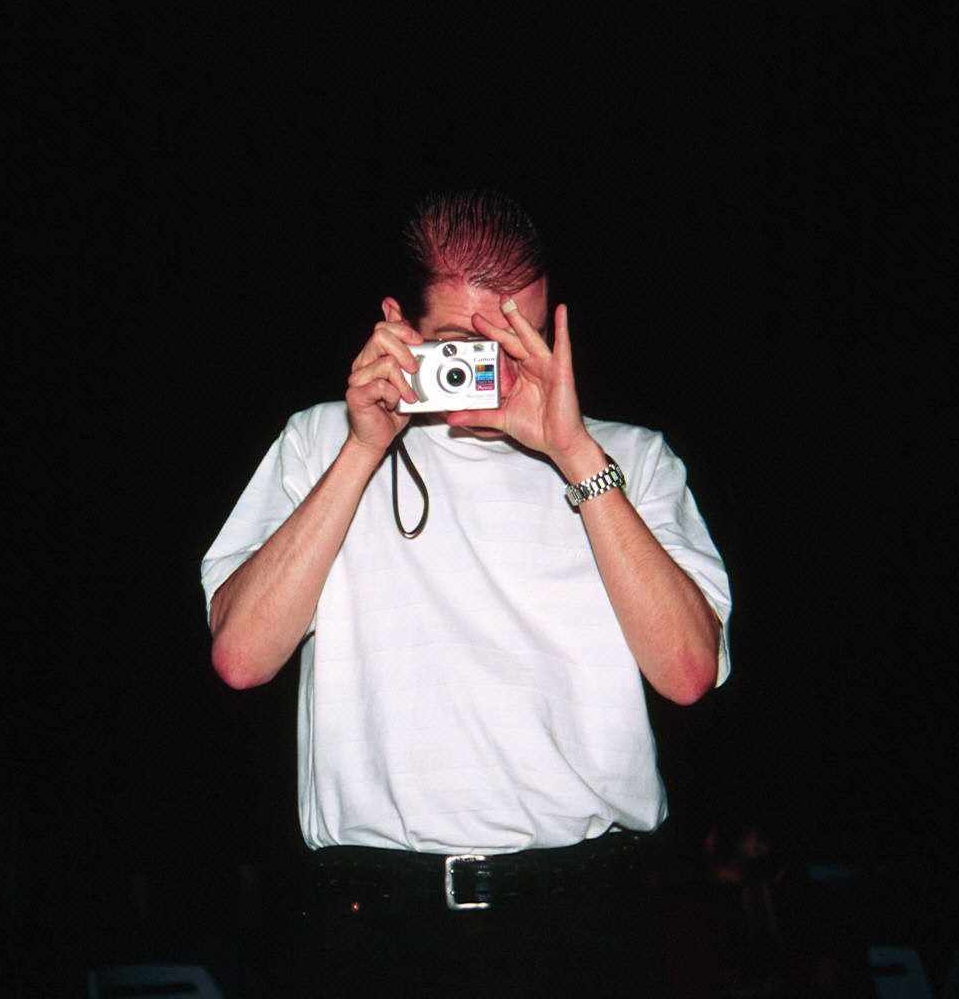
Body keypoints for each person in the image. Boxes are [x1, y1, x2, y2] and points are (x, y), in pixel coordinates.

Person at [201, 189, 732, 997]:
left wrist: (575, 454)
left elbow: (689, 673)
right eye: (462, 345)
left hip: (584, 917)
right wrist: (363, 450)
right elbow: (241, 658)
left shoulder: (629, 459)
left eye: (519, 339)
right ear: (396, 325)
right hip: (372, 923)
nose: (497, 372)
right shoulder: (319, 441)